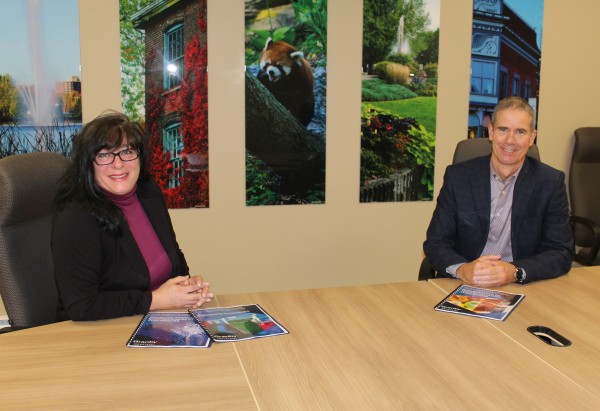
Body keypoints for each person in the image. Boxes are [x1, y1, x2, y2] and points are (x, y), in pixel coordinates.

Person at [52, 111, 213, 321]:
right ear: (88, 164)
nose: (118, 164)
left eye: (127, 151)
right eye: (104, 155)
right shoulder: (76, 218)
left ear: (139, 156)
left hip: (156, 320)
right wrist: (157, 300)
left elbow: (173, 253)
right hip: (99, 335)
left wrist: (186, 285)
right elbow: (82, 306)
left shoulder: (148, 192)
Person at [424, 97, 574, 286]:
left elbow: (561, 251)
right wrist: (462, 269)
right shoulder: (458, 177)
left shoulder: (550, 182)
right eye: (503, 130)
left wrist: (515, 272)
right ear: (491, 132)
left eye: (520, 131)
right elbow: (436, 243)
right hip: (464, 283)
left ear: (532, 138)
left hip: (521, 285)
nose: (510, 141)